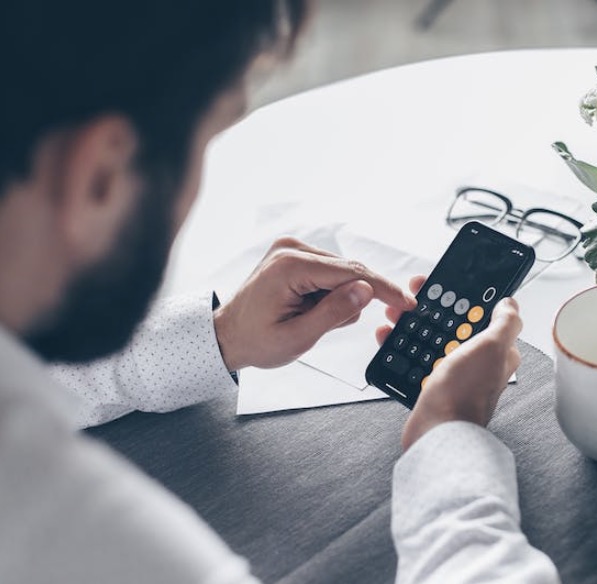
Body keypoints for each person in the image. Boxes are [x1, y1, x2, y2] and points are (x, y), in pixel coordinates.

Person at [0, 1, 560, 582]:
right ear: (101, 175)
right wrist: (451, 439)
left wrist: (218, 338)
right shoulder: (102, 544)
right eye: (207, 142)